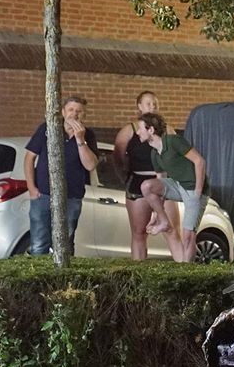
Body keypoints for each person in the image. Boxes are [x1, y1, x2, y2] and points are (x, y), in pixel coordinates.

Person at [24, 95, 98, 256]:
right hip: (43, 194)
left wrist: (80, 139)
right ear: (63, 112)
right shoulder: (47, 129)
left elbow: (90, 165)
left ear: (84, 115)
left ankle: (63, 277)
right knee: (39, 242)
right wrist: (31, 188)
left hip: (71, 196)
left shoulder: (88, 135)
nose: (75, 114)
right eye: (71, 110)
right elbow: (29, 157)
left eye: (79, 111)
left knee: (65, 242)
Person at [112, 91, 180, 260]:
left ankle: (184, 267)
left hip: (164, 184)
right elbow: (118, 157)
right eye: (148, 103)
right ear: (139, 107)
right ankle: (139, 271)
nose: (152, 107)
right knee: (139, 233)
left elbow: (179, 158)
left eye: (155, 104)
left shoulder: (169, 131)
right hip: (138, 183)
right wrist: (125, 178)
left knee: (171, 230)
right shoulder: (129, 131)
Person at [134, 112, 207, 263]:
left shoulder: (173, 141)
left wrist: (198, 191)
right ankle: (164, 222)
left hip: (194, 189)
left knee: (188, 236)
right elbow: (160, 184)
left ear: (151, 130)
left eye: (140, 128)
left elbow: (199, 161)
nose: (137, 132)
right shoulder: (155, 153)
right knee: (147, 186)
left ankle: (187, 273)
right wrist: (157, 214)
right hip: (178, 186)